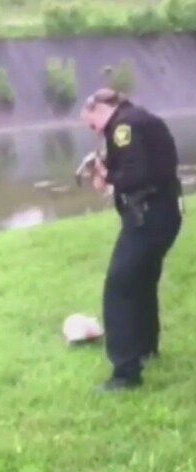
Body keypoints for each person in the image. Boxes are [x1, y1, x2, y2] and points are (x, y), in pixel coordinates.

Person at [80, 88, 183, 391]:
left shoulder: (123, 127)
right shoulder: (141, 118)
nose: (96, 132)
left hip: (146, 218)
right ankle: (146, 348)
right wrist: (108, 172)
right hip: (164, 213)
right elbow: (144, 169)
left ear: (100, 109)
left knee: (119, 289)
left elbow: (136, 175)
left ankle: (126, 373)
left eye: (92, 124)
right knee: (142, 282)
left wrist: (108, 177)